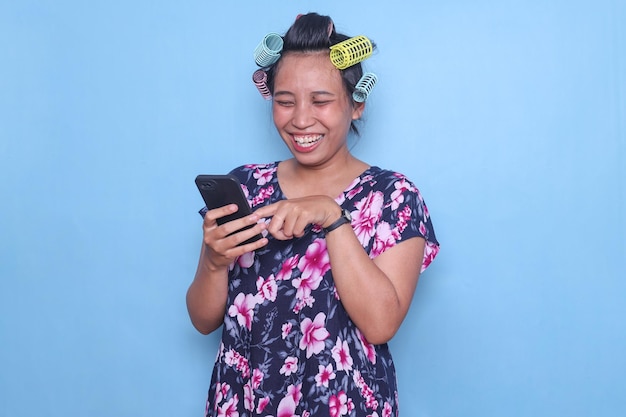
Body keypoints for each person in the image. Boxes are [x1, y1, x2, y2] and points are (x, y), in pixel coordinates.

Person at [186, 12, 439, 417]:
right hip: (244, 402)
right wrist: (215, 263)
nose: (301, 119)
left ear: (356, 105)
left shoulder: (392, 196)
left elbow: (380, 324)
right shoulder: (246, 188)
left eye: (321, 100)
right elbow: (202, 320)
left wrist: (332, 217)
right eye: (285, 102)